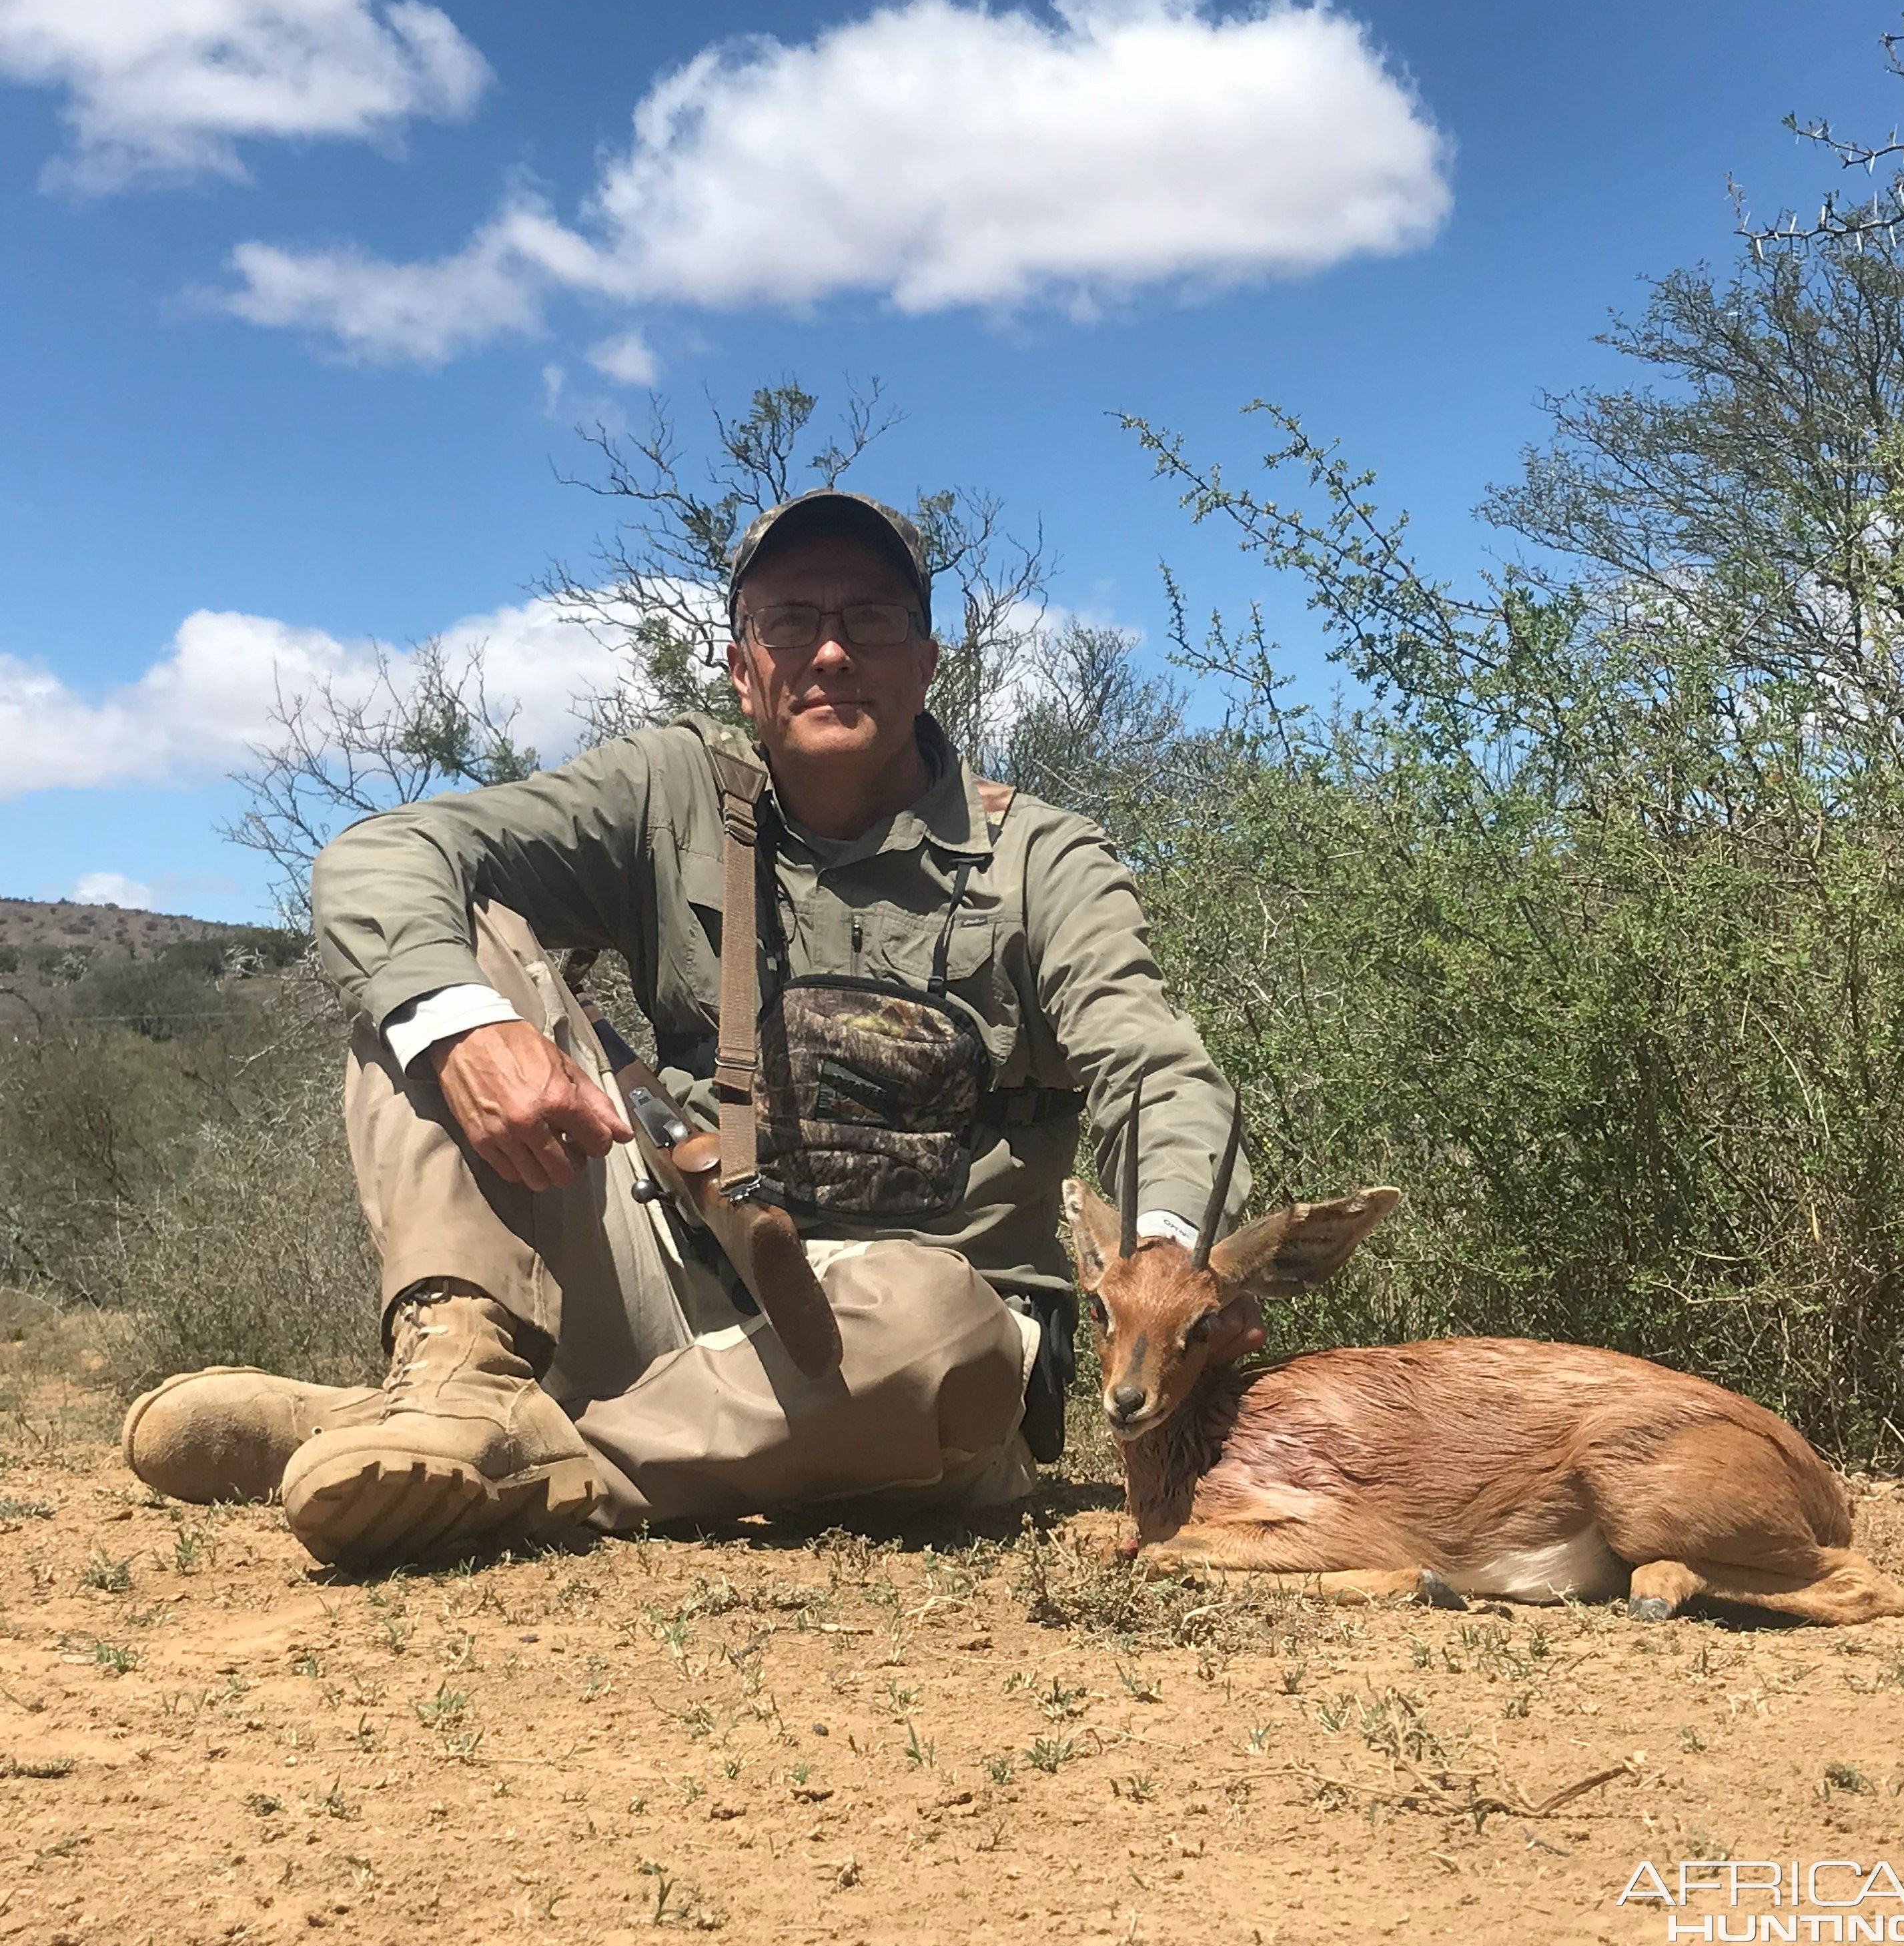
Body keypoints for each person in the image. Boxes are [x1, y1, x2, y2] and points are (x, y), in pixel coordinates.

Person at [122, 490, 1252, 1568]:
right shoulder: (667, 786)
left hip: (892, 1355)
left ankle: (501, 1455)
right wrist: (466, 1027)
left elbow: (1160, 1075)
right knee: (434, 956)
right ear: (740, 665)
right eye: (790, 621)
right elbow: (383, 853)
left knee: (940, 1328)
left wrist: (1165, 1250)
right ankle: (458, 1378)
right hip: (670, 1273)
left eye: (869, 620)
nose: (828, 651)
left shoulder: (1044, 858)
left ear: (926, 661)